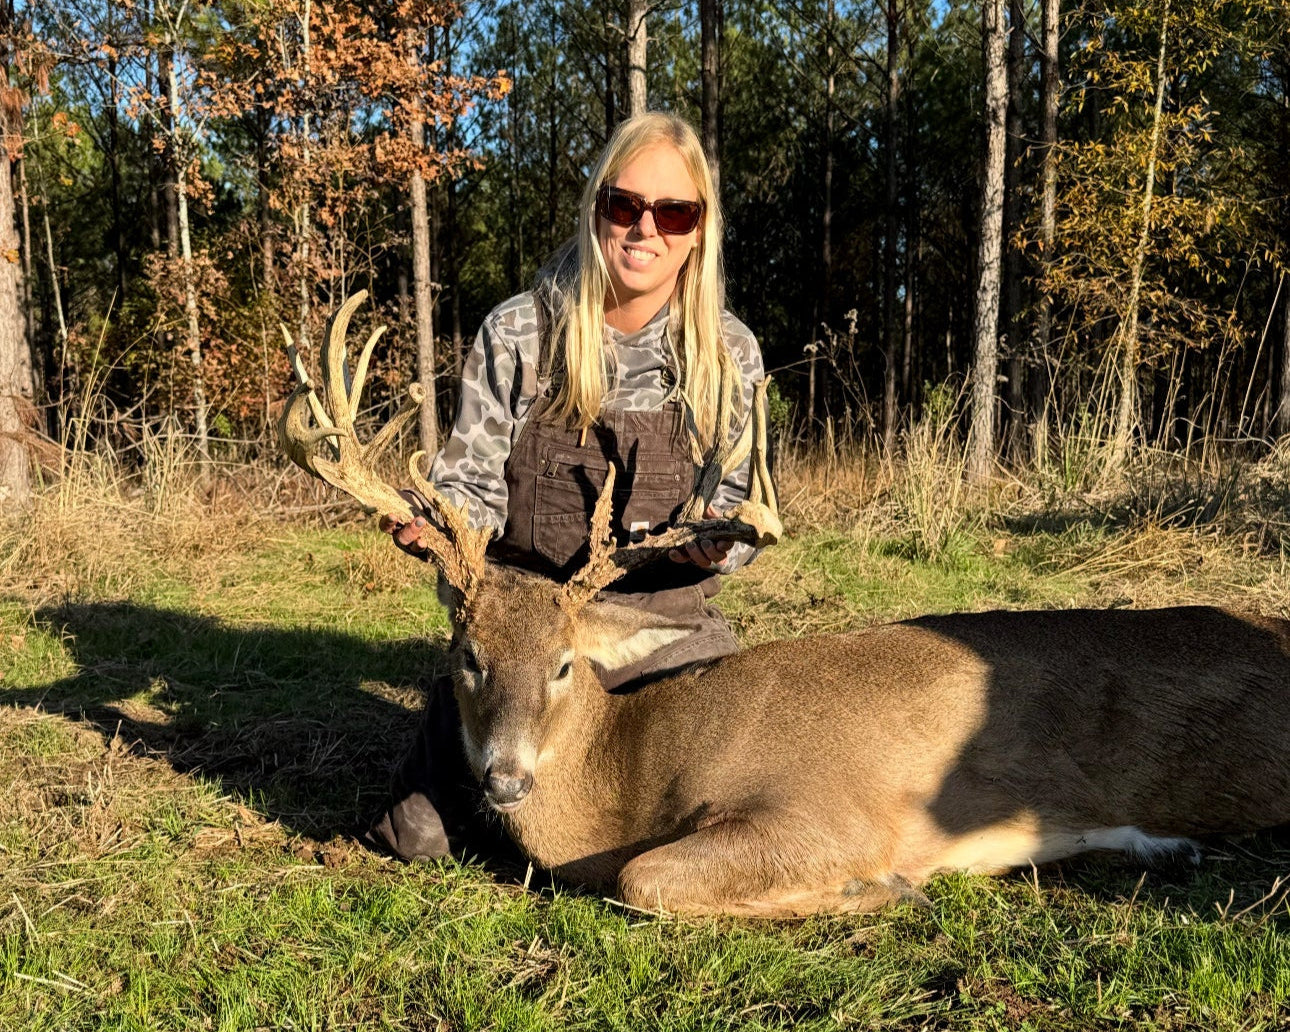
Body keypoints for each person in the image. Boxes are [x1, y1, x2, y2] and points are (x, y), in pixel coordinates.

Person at [365, 111, 771, 862]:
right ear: (597, 208)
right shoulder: (520, 334)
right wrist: (443, 528)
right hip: (517, 627)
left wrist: (716, 549)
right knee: (416, 835)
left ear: (697, 230)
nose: (645, 229)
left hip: (655, 625)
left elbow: (741, 504)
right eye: (626, 205)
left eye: (673, 212)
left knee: (709, 809)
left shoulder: (727, 354)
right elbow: (471, 489)